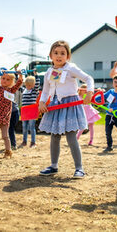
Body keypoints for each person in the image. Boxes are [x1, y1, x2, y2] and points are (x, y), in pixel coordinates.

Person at [38, 40, 94, 179]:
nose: (59, 56)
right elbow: (45, 91)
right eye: (56, 53)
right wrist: (42, 102)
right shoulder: (48, 72)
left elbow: (88, 78)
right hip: (56, 105)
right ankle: (53, 166)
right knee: (54, 137)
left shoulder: (71, 68)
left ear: (68, 56)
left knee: (71, 137)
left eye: (63, 53)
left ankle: (79, 168)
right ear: (50, 55)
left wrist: (89, 92)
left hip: (70, 104)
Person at [0, 72, 23, 158]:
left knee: (5, 135)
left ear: (11, 82)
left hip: (4, 116)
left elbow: (19, 83)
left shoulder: (11, 90)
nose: (5, 81)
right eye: (3, 78)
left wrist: (20, 76)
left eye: (8, 79)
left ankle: (8, 151)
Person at [20, 74, 41, 148]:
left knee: (31, 127)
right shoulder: (24, 90)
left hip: (32, 110)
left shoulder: (34, 91)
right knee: (24, 126)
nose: (28, 86)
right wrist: (18, 75)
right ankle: (24, 141)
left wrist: (36, 76)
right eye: (27, 85)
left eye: (30, 85)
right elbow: (18, 83)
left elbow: (37, 84)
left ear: (33, 85)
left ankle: (33, 142)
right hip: (24, 111)